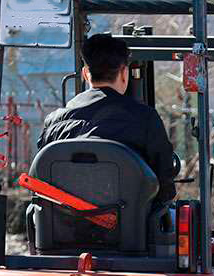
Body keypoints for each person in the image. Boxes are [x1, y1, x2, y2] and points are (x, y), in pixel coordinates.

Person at [39, 33, 177, 203]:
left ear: (85, 73)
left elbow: (41, 181)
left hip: (62, 226)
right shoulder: (145, 119)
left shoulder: (54, 124)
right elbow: (164, 186)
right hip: (130, 227)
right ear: (124, 73)